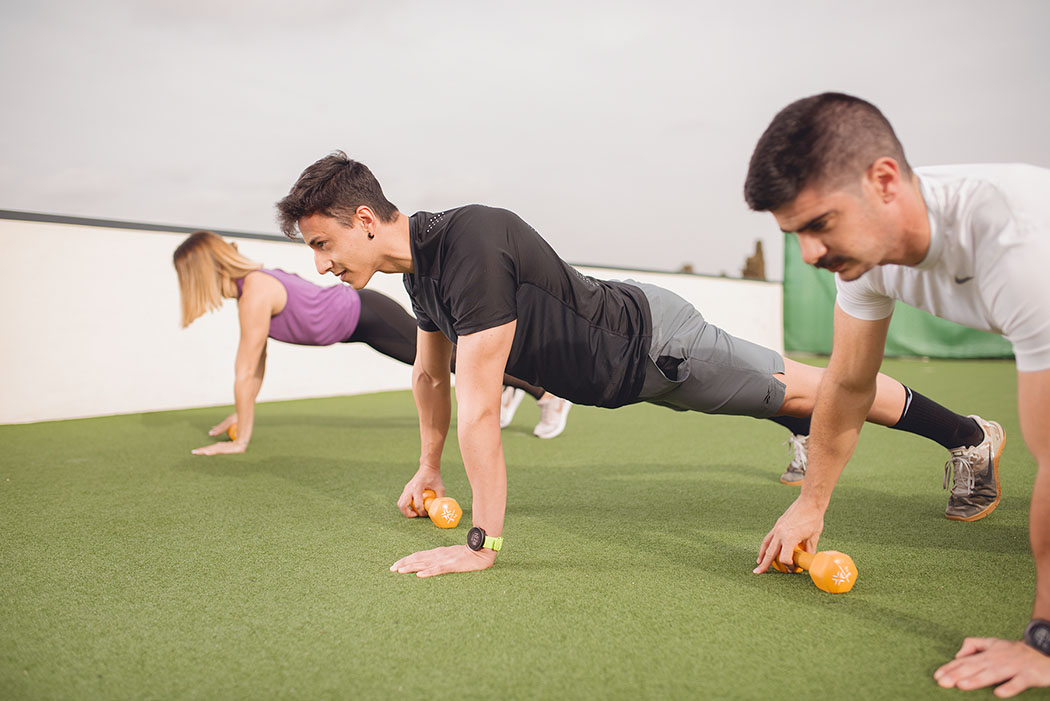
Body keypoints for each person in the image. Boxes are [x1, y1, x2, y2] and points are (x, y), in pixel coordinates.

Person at [744, 92, 1050, 696]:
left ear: (884, 180)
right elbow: (850, 384)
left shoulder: (1021, 246)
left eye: (818, 225)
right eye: (794, 234)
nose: (808, 254)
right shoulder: (868, 254)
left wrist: (1044, 641)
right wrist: (811, 503)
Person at [173, 231, 568, 455]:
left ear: (198, 273)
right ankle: (511, 386)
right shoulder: (251, 289)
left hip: (366, 314)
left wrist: (241, 441)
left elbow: (245, 369)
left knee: (448, 362)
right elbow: (255, 364)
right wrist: (243, 420)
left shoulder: (255, 291)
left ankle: (546, 394)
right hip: (358, 320)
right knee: (452, 358)